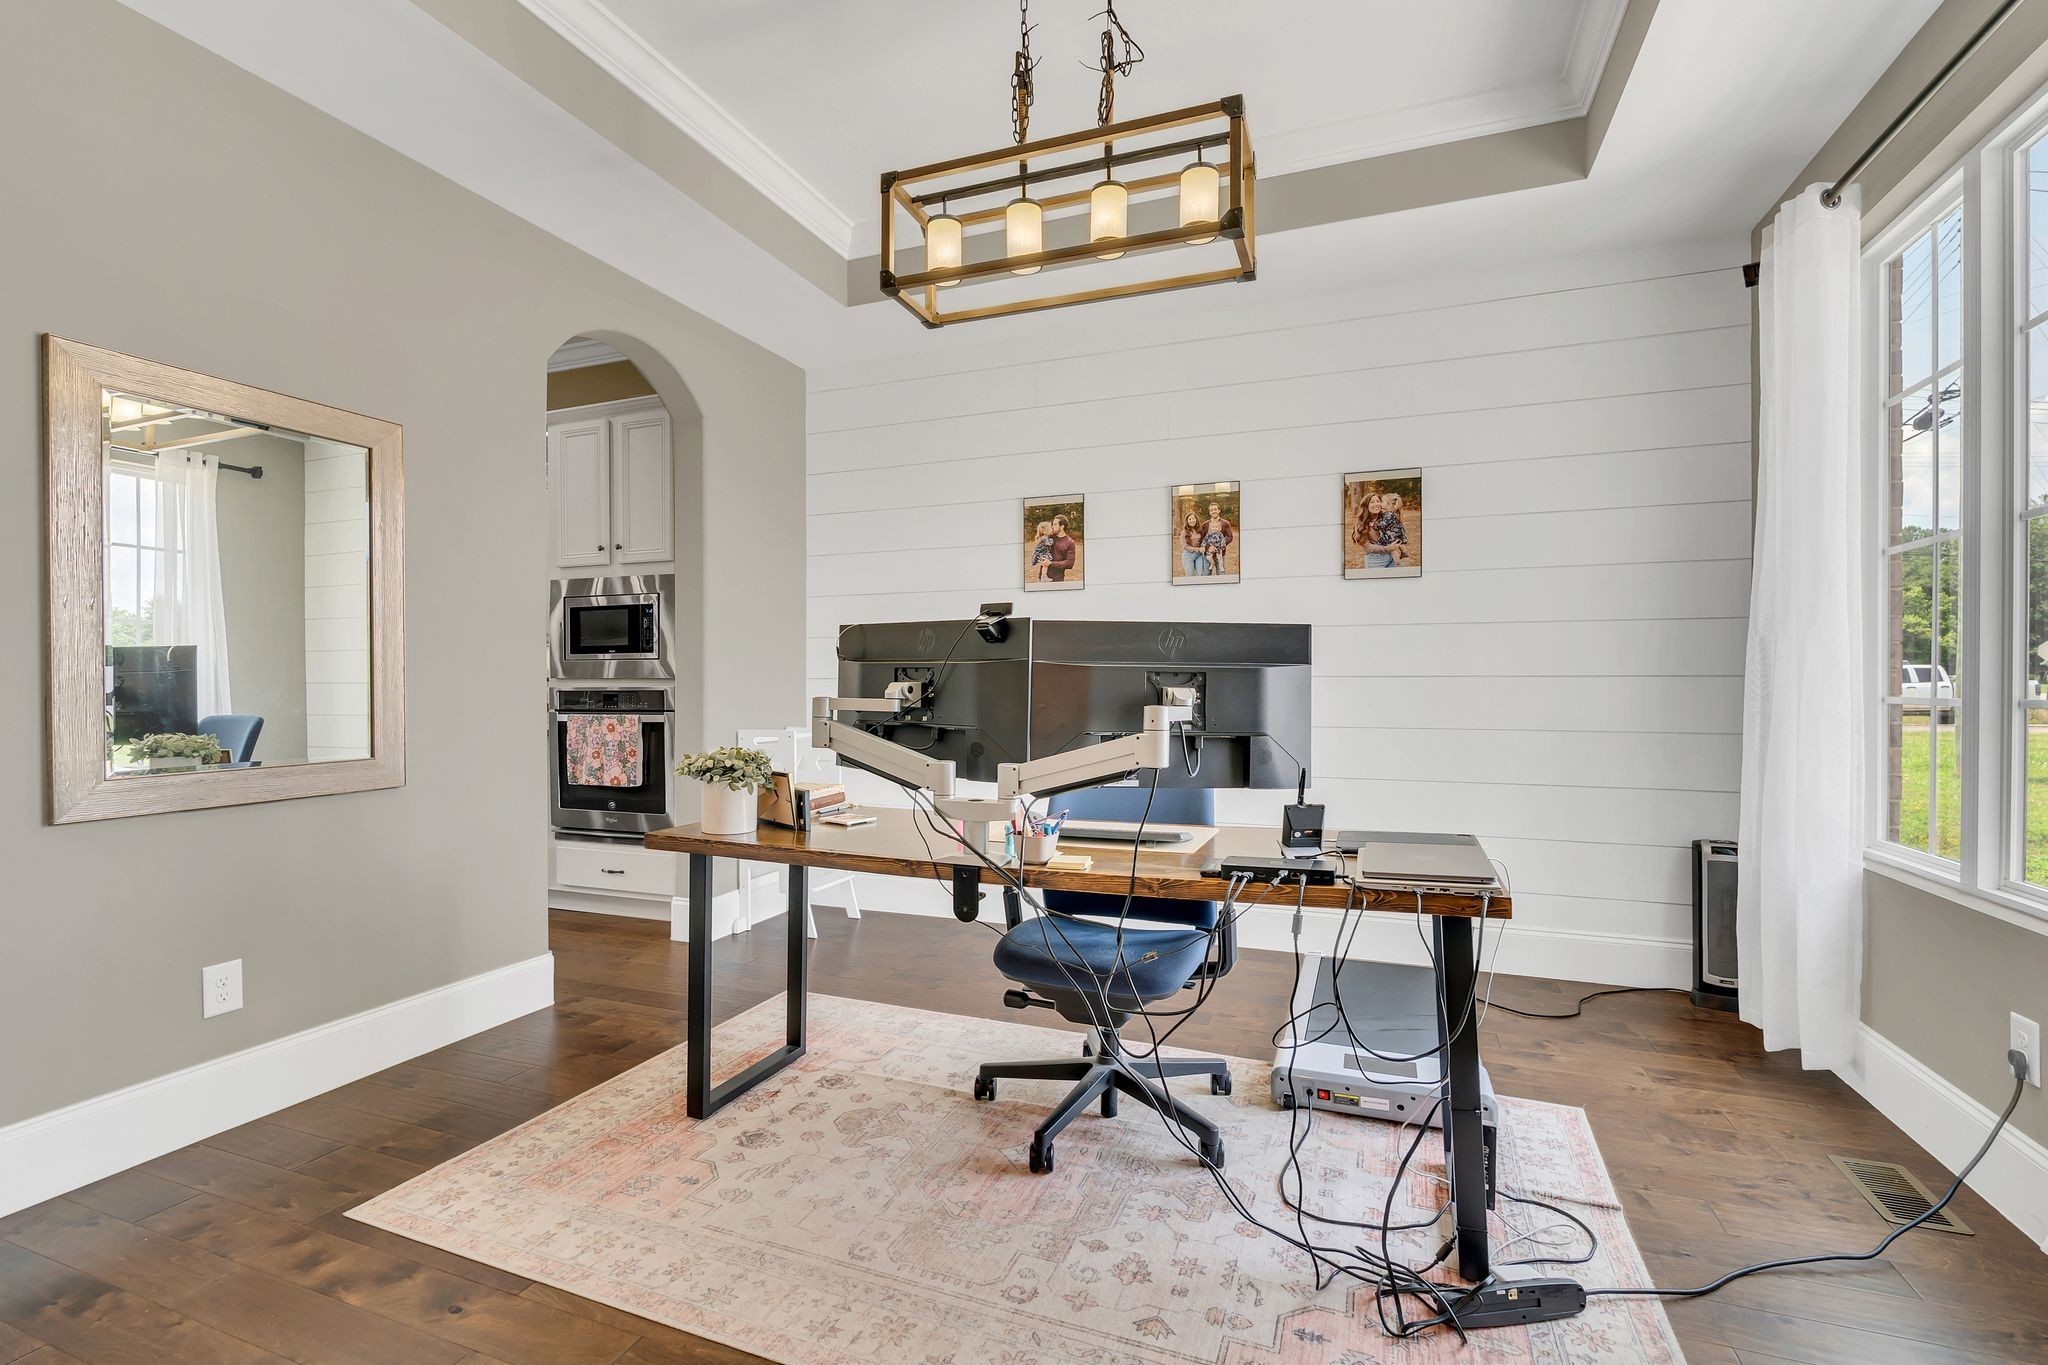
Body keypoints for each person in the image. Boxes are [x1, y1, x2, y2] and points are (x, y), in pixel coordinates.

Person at [1355, 490, 1394, 570]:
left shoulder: (1386, 517)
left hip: (1392, 556)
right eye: (1372, 502)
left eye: (1378, 501)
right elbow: (1368, 548)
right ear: (1366, 505)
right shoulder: (1361, 523)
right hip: (1376, 560)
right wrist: (1389, 548)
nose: (1376, 504)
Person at [1045, 514, 1078, 583]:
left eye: (1055, 524)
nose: (1052, 527)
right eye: (1052, 524)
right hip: (1043, 577)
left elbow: (1070, 563)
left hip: (1057, 579)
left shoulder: (1070, 542)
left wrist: (1051, 563)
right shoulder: (1049, 537)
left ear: (1062, 526)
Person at [1179, 509, 1209, 577]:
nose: (1192, 520)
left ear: (1196, 519)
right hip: (1188, 556)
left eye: (1193, 518)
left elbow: (1204, 540)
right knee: (1190, 575)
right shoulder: (1184, 532)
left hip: (1199, 555)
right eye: (1190, 519)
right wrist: (1198, 549)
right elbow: (1185, 547)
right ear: (1187, 521)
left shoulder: (1199, 529)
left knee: (1200, 574)